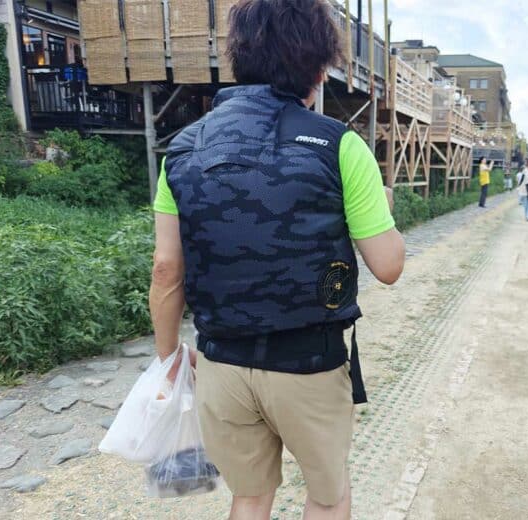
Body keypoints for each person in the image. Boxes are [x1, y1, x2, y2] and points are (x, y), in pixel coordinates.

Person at [148, 1, 406, 518]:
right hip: (308, 364)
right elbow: (388, 265)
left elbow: (166, 270)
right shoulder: (338, 144)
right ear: (318, 68)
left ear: (239, 60)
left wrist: (170, 357)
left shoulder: (183, 149)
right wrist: (383, 207)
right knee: (328, 496)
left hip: (221, 362)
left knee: (249, 495)